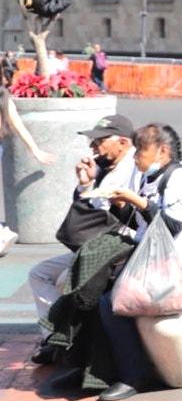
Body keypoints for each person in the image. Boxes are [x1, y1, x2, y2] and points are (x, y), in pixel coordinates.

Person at [94, 124, 182, 401]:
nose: (136, 156)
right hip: (161, 264)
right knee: (95, 287)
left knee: (111, 302)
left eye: (141, 150)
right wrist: (123, 206)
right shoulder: (150, 179)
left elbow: (171, 226)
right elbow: (143, 228)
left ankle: (133, 375)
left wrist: (138, 202)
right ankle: (92, 368)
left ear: (162, 151)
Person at [28, 113, 136, 365]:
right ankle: (53, 339)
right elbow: (85, 215)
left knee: (67, 279)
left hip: (118, 249)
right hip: (95, 244)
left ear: (123, 142)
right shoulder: (106, 167)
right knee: (39, 273)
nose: (94, 146)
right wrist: (85, 185)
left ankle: (68, 341)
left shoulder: (133, 168)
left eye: (100, 140)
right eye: (93, 141)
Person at [0, 86, 57, 255]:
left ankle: (2, 233)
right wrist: (35, 150)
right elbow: (19, 126)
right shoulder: (4, 98)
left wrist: (36, 150)